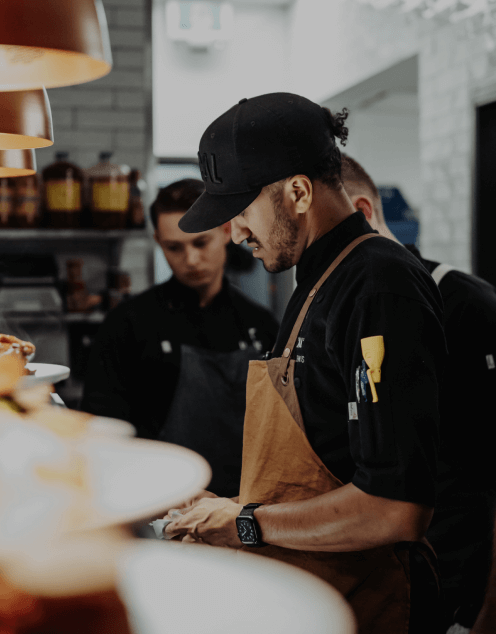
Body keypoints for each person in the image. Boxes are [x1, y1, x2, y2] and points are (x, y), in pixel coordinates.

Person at [162, 93, 446, 634]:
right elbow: (329, 465)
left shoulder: (379, 286)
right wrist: (230, 507)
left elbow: (395, 506)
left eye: (242, 212)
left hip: (375, 607)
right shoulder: (319, 279)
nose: (236, 233)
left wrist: (247, 523)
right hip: (319, 597)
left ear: (297, 191)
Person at [340, 154, 496, 632]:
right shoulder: (349, 312)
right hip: (382, 589)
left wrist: (486, 616)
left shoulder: (468, 305)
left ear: (363, 213)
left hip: (457, 591)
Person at [81, 178, 279, 498]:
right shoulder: (127, 324)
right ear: (159, 242)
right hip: (156, 503)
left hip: (243, 506)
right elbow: (103, 431)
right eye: (175, 247)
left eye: (201, 243)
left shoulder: (261, 325)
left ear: (227, 231)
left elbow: (280, 433)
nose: (190, 260)